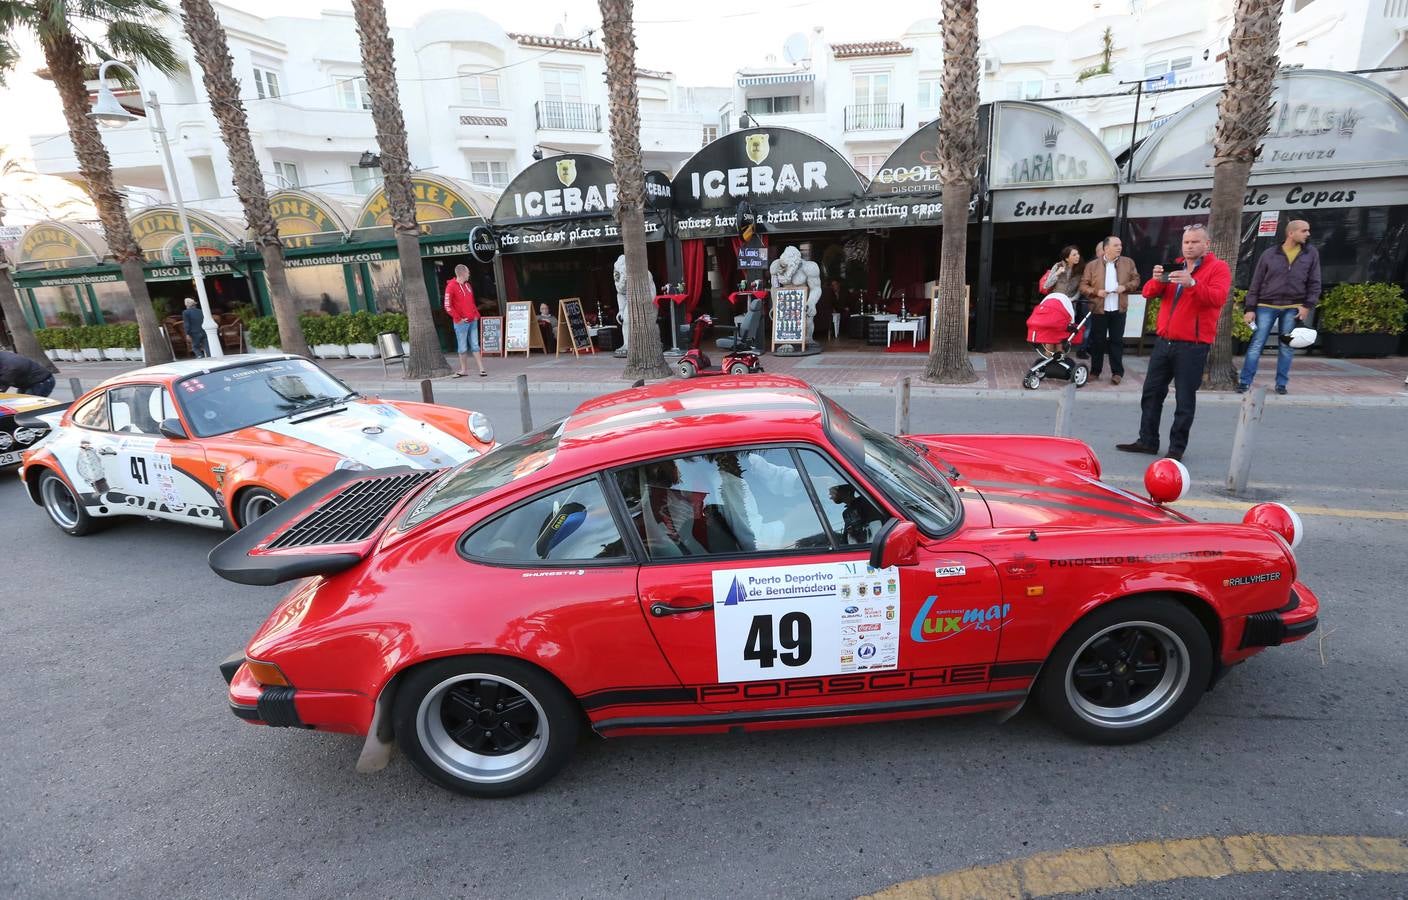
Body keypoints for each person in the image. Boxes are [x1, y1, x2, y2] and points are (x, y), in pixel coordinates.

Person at [1117, 223, 1231, 462]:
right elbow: (1148, 292)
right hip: (1164, 341)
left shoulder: (1218, 268)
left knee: (1184, 399)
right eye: (1186, 242)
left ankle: (1176, 448)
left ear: (1206, 244)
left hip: (1193, 345)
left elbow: (1217, 298)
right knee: (1151, 393)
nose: (1189, 246)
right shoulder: (1175, 265)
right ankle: (1147, 440)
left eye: (1194, 242)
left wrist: (1192, 284)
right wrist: (1158, 279)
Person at [1239, 219, 1321, 396]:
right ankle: (1245, 382)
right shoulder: (1270, 254)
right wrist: (1250, 308)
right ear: (1291, 233)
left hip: (1293, 307)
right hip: (1265, 305)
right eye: (1304, 230)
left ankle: (1281, 384)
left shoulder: (1311, 253)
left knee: (1286, 347)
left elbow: (1315, 282)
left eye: (1308, 230)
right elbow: (1256, 282)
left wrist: (1307, 306)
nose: (1308, 234)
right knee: (1256, 344)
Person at [1079, 236, 1142, 385]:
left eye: (1120, 245)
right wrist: (1096, 292)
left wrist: (1125, 287)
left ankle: (1117, 373)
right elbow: (1083, 285)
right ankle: (1095, 371)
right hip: (1099, 309)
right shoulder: (1092, 265)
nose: (1119, 247)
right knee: (1098, 342)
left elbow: (1136, 280)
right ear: (1106, 248)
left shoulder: (1128, 262)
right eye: (1115, 245)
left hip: (1119, 309)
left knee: (1117, 341)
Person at [1039, 246, 1084, 354]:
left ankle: (1060, 356)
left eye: (1078, 254)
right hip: (1055, 304)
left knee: (1063, 333)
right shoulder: (1058, 266)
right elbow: (1046, 285)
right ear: (1067, 258)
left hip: (1069, 305)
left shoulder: (1081, 270)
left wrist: (1069, 300)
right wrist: (1057, 273)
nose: (1077, 256)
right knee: (1052, 330)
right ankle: (1048, 356)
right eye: (1074, 255)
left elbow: (1080, 290)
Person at [443, 264, 485, 377]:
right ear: (462, 273)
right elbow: (447, 306)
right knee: (462, 347)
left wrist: (476, 314)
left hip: (472, 320)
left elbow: (471, 303)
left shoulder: (468, 286)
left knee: (475, 345)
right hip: (461, 322)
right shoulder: (450, 287)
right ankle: (463, 370)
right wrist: (458, 319)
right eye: (468, 272)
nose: (469, 274)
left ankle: (481, 369)